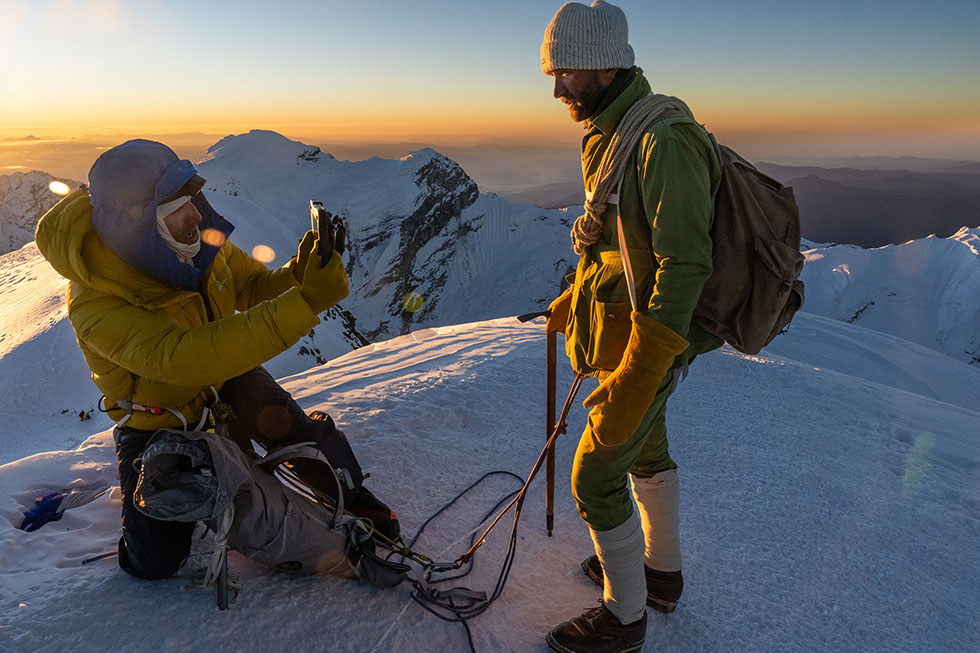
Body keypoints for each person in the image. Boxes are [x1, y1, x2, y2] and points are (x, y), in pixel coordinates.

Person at [35, 139, 398, 581]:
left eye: (192, 200)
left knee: (285, 423)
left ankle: (349, 494)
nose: (194, 216)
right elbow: (183, 359)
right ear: (137, 225)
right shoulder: (96, 301)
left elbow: (251, 288)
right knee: (155, 563)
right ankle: (161, 511)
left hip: (221, 382)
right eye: (175, 209)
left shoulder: (199, 243)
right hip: (157, 421)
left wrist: (298, 276)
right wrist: (305, 302)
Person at [539, 2, 723, 651]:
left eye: (567, 73)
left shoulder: (660, 139)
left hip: (649, 344)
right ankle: (660, 577)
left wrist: (643, 371)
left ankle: (624, 618)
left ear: (607, 62)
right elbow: (620, 245)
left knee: (594, 474)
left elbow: (685, 261)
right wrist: (576, 297)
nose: (557, 88)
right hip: (631, 335)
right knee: (646, 451)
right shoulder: (616, 132)